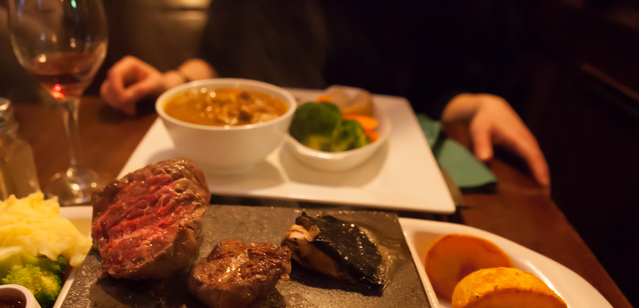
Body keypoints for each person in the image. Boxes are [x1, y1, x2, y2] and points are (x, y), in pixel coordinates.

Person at [99, 0, 550, 187]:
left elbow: (431, 86)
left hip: (383, 172)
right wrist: (176, 80)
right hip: (240, 173)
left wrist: (477, 104)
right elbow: (218, 58)